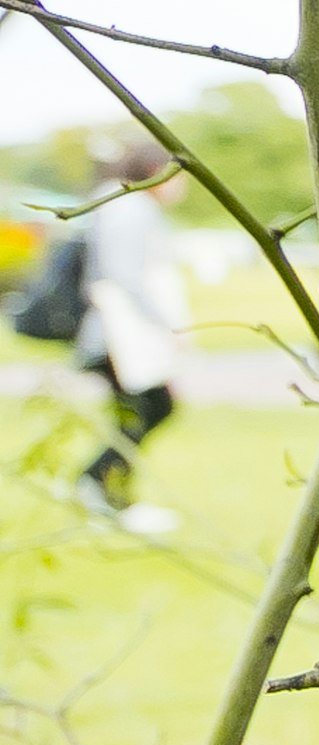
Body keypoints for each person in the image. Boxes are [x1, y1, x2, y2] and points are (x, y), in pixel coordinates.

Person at [75, 140, 187, 535]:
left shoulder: (124, 208)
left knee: (143, 411)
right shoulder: (130, 210)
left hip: (120, 334)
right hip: (117, 336)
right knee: (147, 409)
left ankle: (106, 492)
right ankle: (97, 486)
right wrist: (166, 325)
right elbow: (125, 277)